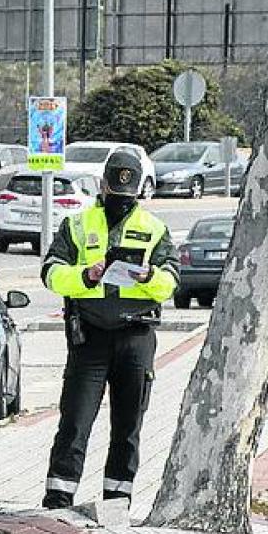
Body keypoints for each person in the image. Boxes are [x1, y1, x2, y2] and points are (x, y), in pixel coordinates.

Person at [40, 150, 179, 509]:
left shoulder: (155, 229)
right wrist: (86, 276)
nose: (121, 200)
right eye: (115, 193)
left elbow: (171, 280)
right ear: (102, 185)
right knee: (75, 420)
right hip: (90, 336)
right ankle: (58, 499)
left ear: (139, 191)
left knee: (128, 426)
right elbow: (51, 272)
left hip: (136, 337)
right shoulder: (76, 225)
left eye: (127, 195)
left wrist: (149, 276)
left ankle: (117, 502)